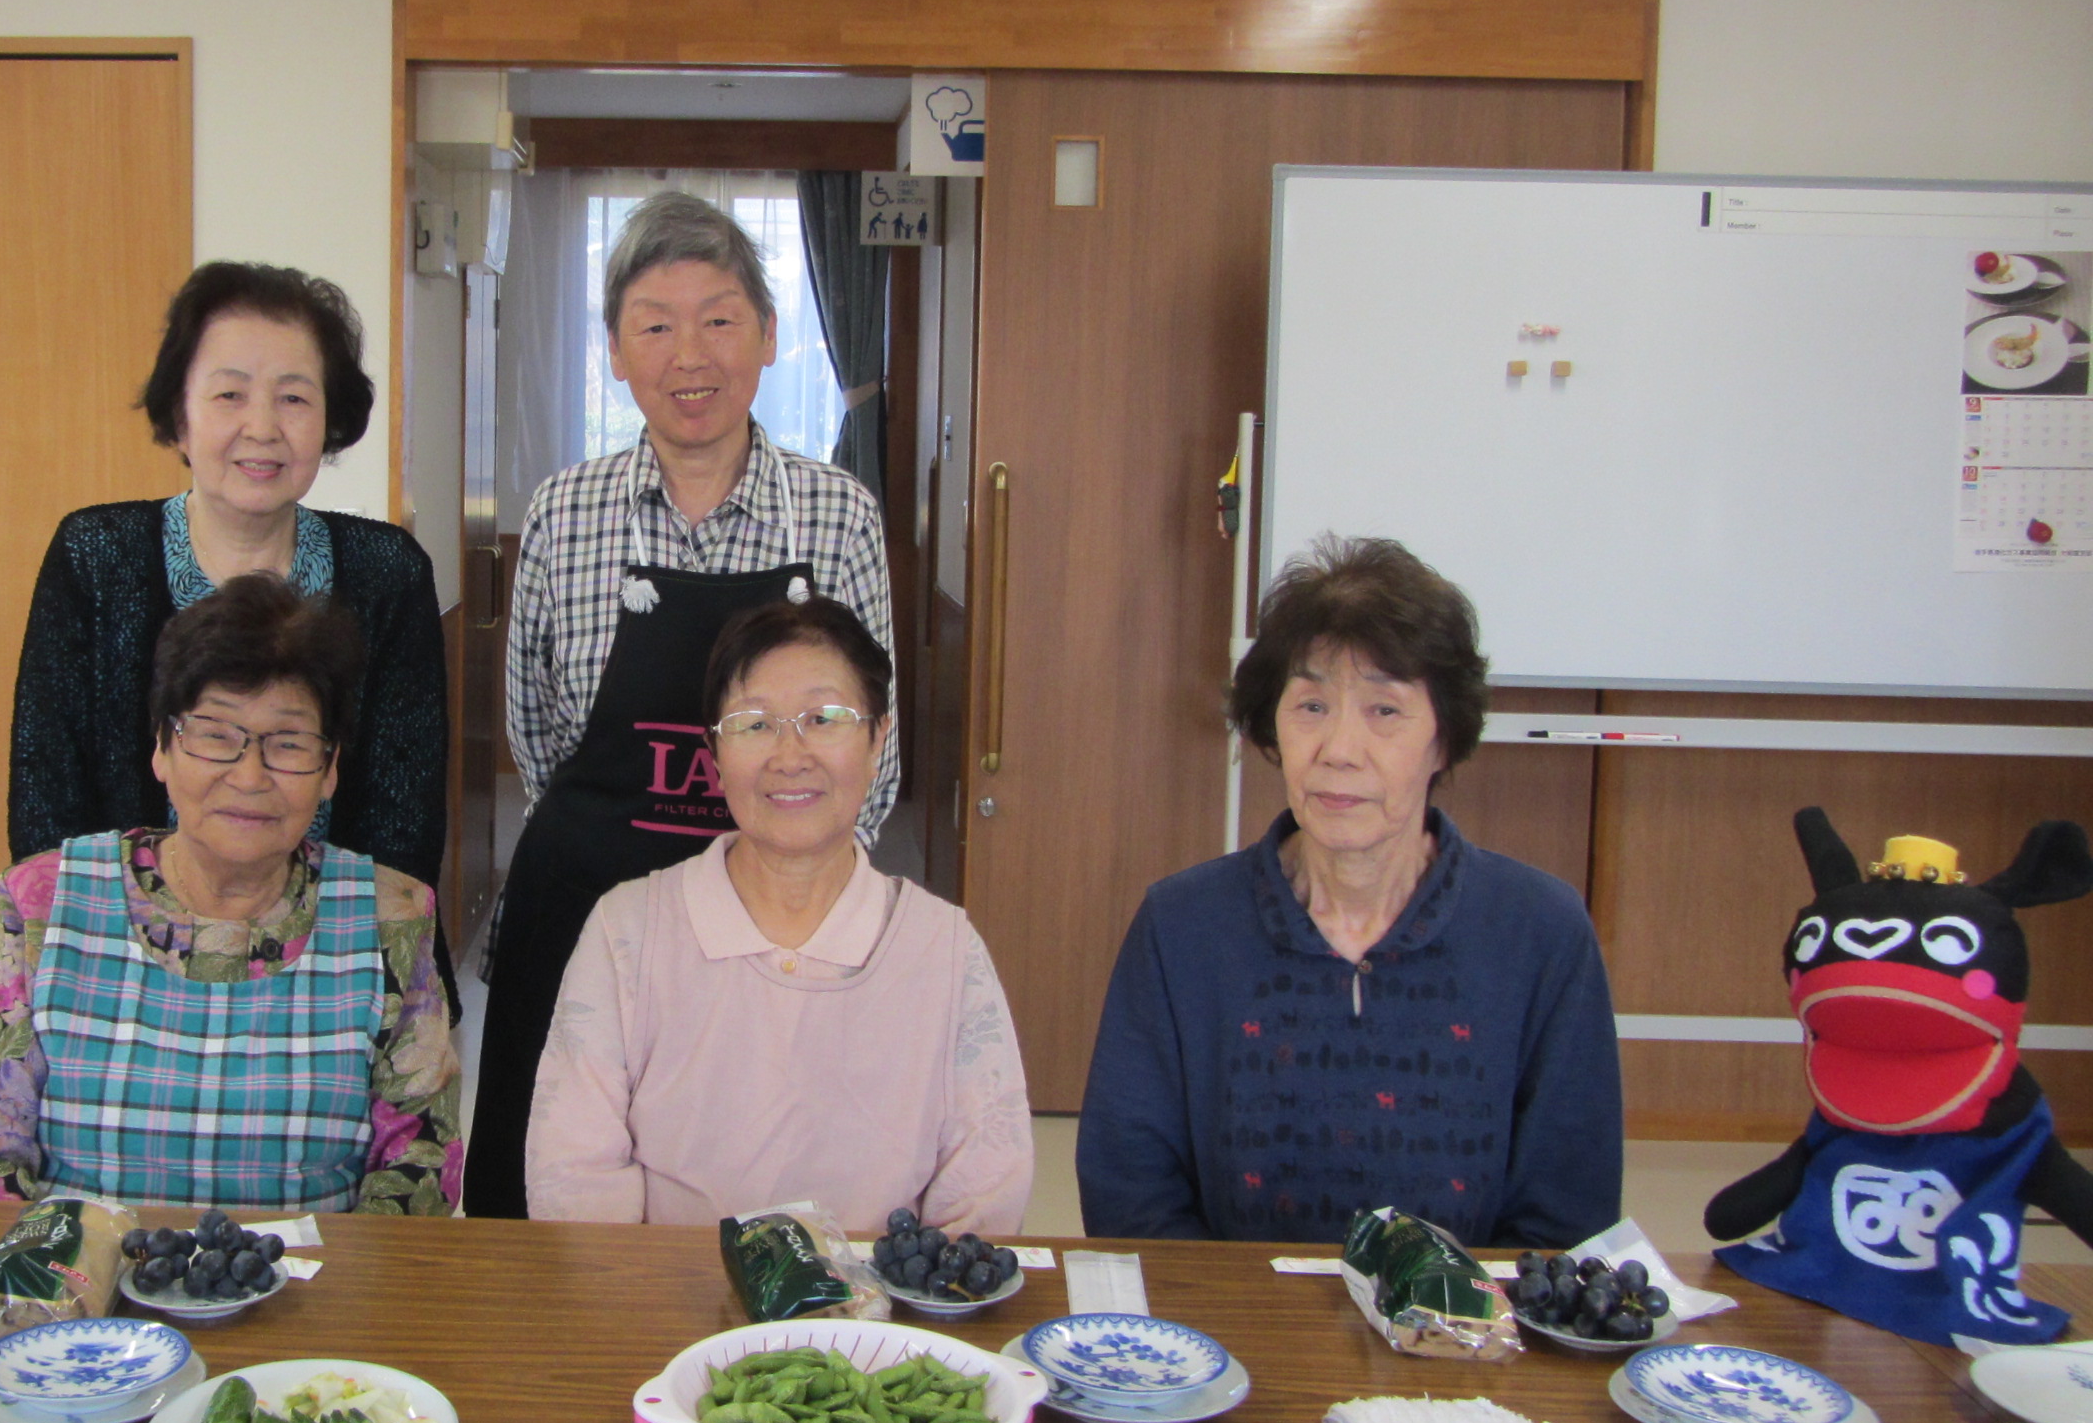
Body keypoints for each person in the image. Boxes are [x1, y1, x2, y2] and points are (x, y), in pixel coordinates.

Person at [476, 190, 898, 1217]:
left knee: (760, 1198)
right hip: (585, 905)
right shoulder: (563, 512)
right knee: (559, 1199)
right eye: (654, 326)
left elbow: (871, 755)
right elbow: (539, 740)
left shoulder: (838, 514)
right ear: (615, 352)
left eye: (718, 319)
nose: (689, 355)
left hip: (776, 911)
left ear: (768, 336)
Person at [1076, 535, 1622, 1248]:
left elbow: (1567, 1215)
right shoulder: (1182, 926)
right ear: (1271, 727)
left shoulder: (1539, 930)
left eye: (1384, 711)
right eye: (1311, 706)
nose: (1338, 750)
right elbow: (1129, 1193)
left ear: (1443, 739)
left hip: (1466, 1318)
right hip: (1230, 1315)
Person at [0, 573, 459, 1212]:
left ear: (329, 770)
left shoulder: (391, 915)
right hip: (77, 1269)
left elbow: (418, 1161)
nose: (250, 776)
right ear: (163, 748)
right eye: (216, 735)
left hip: (320, 1271)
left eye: (288, 744)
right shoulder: (40, 902)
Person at [527, 598, 1029, 1233]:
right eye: (754, 724)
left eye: (824, 718)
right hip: (668, 1296)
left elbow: (983, 1195)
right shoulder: (626, 931)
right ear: (714, 754)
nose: (790, 756)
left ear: (878, 738)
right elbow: (574, 1178)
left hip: (884, 1300)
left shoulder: (944, 949)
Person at [7, 261, 445, 893]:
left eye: (294, 398)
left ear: (329, 420)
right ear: (180, 415)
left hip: (332, 939)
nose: (262, 428)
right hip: (115, 937)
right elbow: (45, 796)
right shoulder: (96, 555)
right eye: (229, 395)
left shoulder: (387, 572)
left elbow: (404, 821)